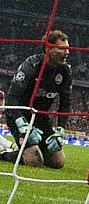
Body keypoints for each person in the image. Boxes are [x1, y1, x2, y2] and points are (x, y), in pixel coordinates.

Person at [1, 31, 71, 168]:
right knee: (35, 161)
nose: (67, 52)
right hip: (20, 116)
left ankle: (33, 149)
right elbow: (11, 98)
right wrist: (22, 124)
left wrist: (60, 130)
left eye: (68, 48)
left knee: (58, 162)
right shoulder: (31, 65)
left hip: (41, 117)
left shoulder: (65, 71)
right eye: (62, 49)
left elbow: (65, 104)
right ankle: (5, 153)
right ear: (48, 49)